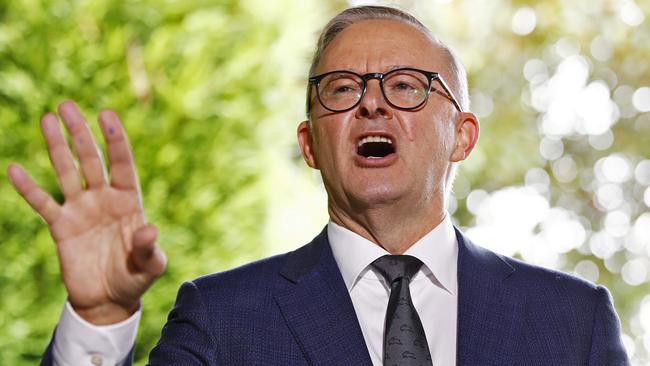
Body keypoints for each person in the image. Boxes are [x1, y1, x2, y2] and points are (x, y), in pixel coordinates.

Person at [8, 5, 629, 366]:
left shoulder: (573, 323)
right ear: (310, 144)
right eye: (342, 90)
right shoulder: (221, 321)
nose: (373, 106)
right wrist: (98, 321)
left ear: (463, 136)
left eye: (407, 85)